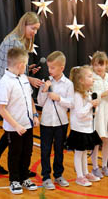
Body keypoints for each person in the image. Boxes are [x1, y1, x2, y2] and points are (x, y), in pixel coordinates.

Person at [0, 12, 43, 175]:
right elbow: (11, 69)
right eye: (33, 28)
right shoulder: (13, 41)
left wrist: (27, 70)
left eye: (37, 30)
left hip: (12, 82)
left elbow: (17, 67)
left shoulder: (18, 40)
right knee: (14, 125)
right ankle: (15, 169)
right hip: (5, 85)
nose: (34, 33)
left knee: (13, 126)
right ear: (24, 24)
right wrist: (29, 78)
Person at [0, 47, 39, 194]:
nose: (26, 67)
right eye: (25, 64)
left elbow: (30, 99)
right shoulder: (4, 83)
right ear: (20, 64)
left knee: (27, 152)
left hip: (28, 125)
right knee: (15, 153)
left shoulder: (24, 78)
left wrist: (34, 115)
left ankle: (24, 177)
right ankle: (14, 180)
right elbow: (1, 108)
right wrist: (16, 125)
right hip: (14, 128)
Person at [37, 51, 74, 190]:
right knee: (45, 150)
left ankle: (58, 175)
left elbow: (71, 103)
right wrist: (44, 90)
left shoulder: (68, 84)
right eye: (48, 67)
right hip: (46, 123)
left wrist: (58, 98)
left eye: (52, 68)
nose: (49, 70)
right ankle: (46, 177)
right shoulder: (45, 82)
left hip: (61, 123)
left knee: (59, 150)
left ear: (61, 68)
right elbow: (40, 103)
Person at [66, 66, 102, 187]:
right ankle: (79, 176)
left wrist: (95, 107)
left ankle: (86, 173)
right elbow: (80, 113)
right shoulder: (77, 95)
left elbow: (92, 114)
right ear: (81, 80)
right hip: (79, 129)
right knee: (79, 153)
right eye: (90, 76)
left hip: (88, 128)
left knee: (85, 152)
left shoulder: (88, 93)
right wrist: (90, 105)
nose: (93, 79)